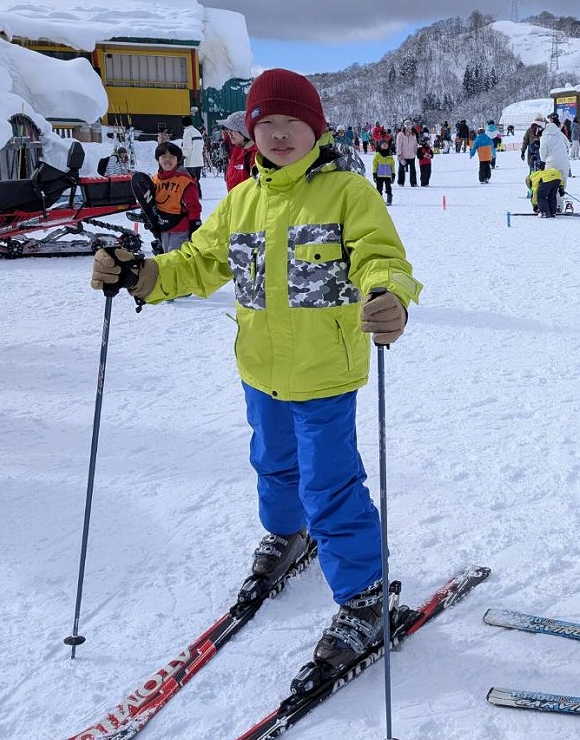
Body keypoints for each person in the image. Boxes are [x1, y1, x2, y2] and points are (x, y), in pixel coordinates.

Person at [87, 68, 421, 675]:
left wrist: (388, 294)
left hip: (324, 373)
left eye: (291, 121)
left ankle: (365, 595)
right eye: (266, 123)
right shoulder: (241, 200)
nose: (279, 133)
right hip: (260, 369)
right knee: (273, 464)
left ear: (315, 128)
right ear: (251, 132)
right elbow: (198, 261)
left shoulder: (348, 193)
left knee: (330, 484)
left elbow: (382, 256)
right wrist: (142, 275)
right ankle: (288, 533)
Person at [150, 141, 202, 252]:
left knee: (176, 259)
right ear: (158, 159)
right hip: (163, 226)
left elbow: (193, 205)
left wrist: (195, 223)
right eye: (163, 156)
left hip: (180, 228)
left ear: (177, 159)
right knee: (166, 255)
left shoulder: (184, 180)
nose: (167, 160)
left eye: (172, 157)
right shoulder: (155, 179)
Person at [218, 112, 257, 191]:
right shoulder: (237, 150)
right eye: (228, 130)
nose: (229, 134)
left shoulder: (256, 157)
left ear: (245, 132)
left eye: (232, 130)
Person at [538, 112, 571, 186]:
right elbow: (568, 144)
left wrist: (543, 161)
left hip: (551, 163)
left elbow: (543, 149)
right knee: (561, 185)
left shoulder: (545, 136)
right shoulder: (560, 134)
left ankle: (553, 196)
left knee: (551, 184)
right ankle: (561, 195)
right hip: (563, 162)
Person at [393, 119, 419, 186]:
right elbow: (398, 145)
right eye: (406, 125)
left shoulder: (413, 134)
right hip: (403, 156)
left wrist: (415, 151)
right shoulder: (400, 135)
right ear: (404, 126)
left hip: (411, 155)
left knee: (413, 169)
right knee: (401, 169)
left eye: (409, 125)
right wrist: (399, 154)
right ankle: (401, 182)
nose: (408, 127)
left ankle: (413, 183)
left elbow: (415, 144)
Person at [180, 117, 205, 182]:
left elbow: (186, 147)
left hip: (190, 163)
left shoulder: (187, 132)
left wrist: (182, 158)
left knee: (190, 182)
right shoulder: (197, 132)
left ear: (183, 124)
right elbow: (202, 144)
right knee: (196, 182)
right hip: (199, 162)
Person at [372, 137, 396, 204]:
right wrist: (374, 174)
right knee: (379, 188)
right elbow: (374, 165)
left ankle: (389, 199)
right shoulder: (377, 155)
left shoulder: (390, 156)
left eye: (386, 144)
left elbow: (392, 166)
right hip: (379, 175)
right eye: (383, 144)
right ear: (380, 145)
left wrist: (393, 174)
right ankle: (379, 200)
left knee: (388, 188)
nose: (385, 145)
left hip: (388, 175)